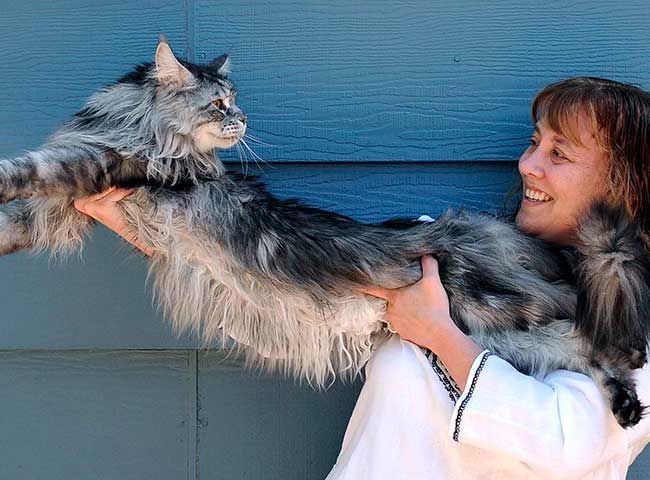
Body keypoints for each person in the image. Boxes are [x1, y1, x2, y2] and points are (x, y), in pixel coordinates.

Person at [74, 77, 650, 479]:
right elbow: (296, 308)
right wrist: (144, 228)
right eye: (533, 143)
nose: (528, 164)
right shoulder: (442, 256)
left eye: (560, 153)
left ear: (624, 187)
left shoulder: (634, 326)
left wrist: (439, 335)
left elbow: (565, 445)